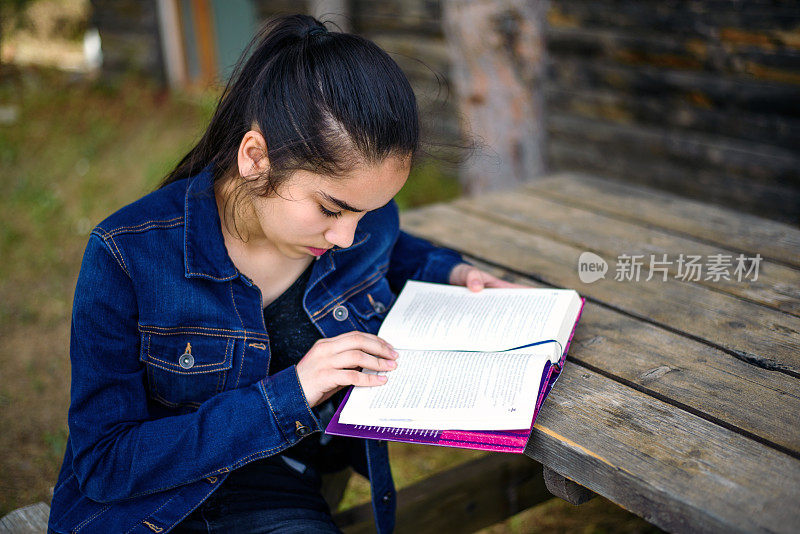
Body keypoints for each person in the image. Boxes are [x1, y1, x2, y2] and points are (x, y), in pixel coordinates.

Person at [47, 14, 517, 534]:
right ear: (255, 158)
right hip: (143, 513)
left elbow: (391, 244)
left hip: (276, 495)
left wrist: (449, 270)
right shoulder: (128, 255)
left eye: (368, 212)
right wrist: (292, 392)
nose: (346, 237)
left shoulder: (356, 225)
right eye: (331, 208)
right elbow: (105, 463)